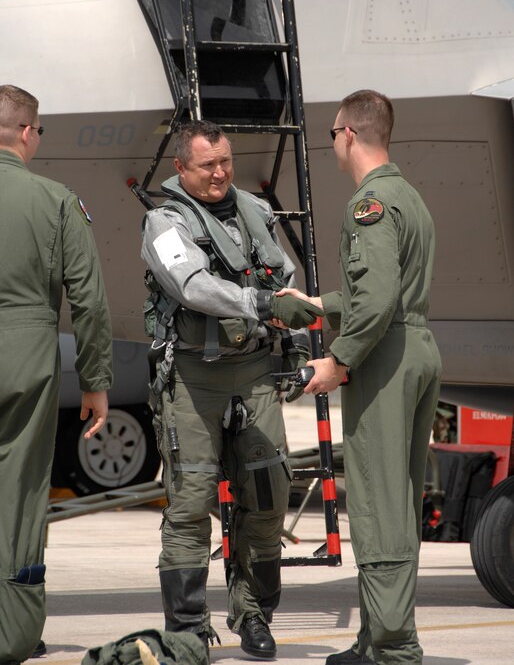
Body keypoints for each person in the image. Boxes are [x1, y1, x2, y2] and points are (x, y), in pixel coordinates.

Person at [140, 119, 321, 661]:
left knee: (266, 500)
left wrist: (293, 334)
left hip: (254, 370)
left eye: (225, 162)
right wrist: (263, 305)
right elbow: (192, 286)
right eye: (206, 165)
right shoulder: (164, 223)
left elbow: (281, 275)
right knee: (191, 504)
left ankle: (254, 615)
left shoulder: (255, 213)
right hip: (194, 378)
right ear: (180, 168)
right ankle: (189, 629)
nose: (219, 173)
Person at [278, 90, 442, 664]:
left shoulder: (368, 204)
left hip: (385, 356)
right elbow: (385, 294)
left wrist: (338, 360)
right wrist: (319, 304)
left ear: (347, 131)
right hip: (414, 345)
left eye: (331, 135)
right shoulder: (409, 198)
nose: (332, 144)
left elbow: (375, 304)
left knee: (377, 502)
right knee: (396, 495)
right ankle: (378, 638)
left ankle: (394, 647)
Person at [0, 85, 113, 664]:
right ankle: (12, 628)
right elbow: (89, 301)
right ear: (26, 132)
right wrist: (95, 381)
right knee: (18, 490)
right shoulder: (56, 200)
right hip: (25, 356)